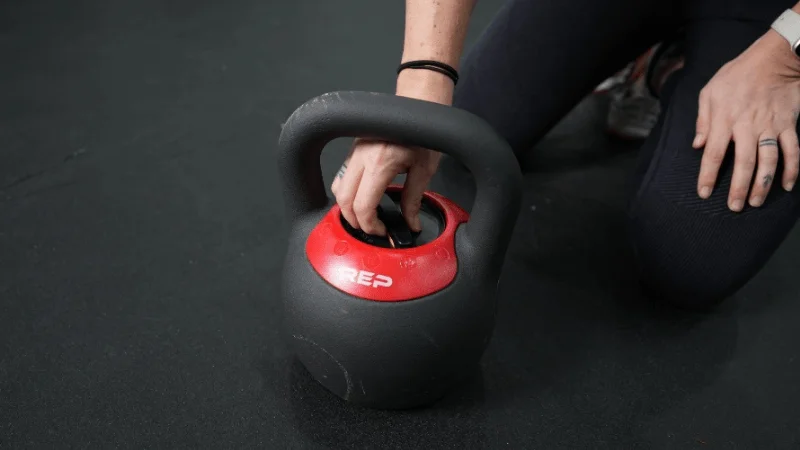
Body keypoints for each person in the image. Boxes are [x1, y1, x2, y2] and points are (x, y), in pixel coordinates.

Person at [330, 0, 800, 310]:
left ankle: (680, 72)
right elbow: (430, 97)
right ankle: (656, 54)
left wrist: (784, 57)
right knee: (474, 122)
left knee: (692, 259)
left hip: (775, 18)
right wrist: (421, 87)